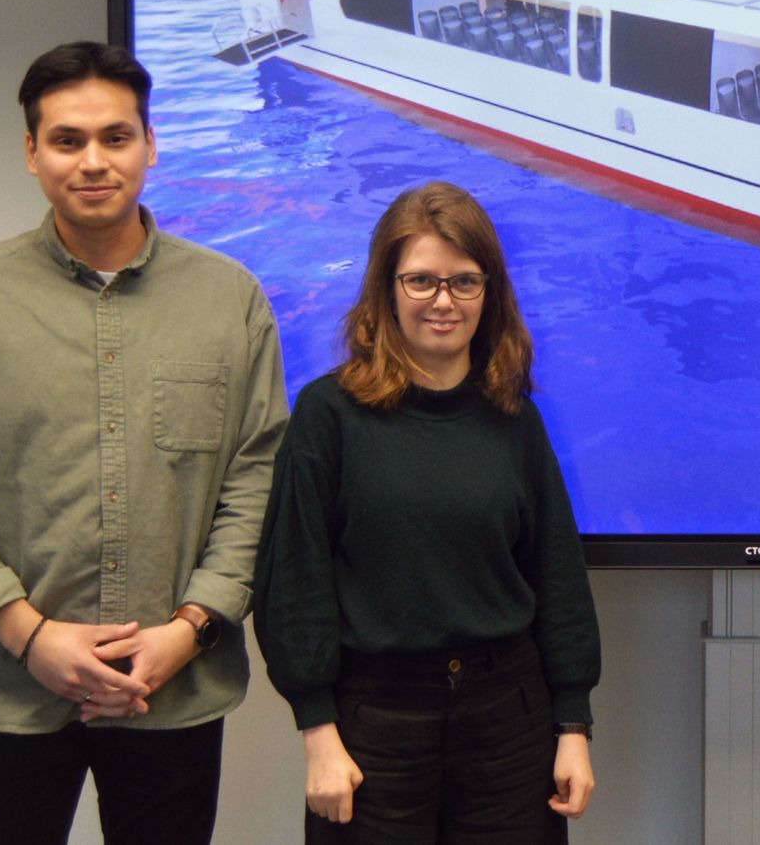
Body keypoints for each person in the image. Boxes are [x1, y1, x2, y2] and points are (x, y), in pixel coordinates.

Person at [0, 41, 288, 845]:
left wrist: (188, 630)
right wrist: (29, 635)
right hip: (6, 687)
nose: (93, 160)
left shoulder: (229, 299)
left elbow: (257, 478)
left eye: (115, 136)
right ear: (31, 152)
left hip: (173, 685)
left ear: (150, 144)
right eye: (67, 140)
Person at [257, 180, 600, 843]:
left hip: (510, 725)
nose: (443, 300)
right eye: (421, 280)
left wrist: (573, 725)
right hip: (373, 729)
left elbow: (559, 577)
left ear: (488, 292)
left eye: (464, 281)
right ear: (387, 289)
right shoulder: (328, 416)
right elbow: (293, 582)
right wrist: (317, 730)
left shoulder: (515, 419)